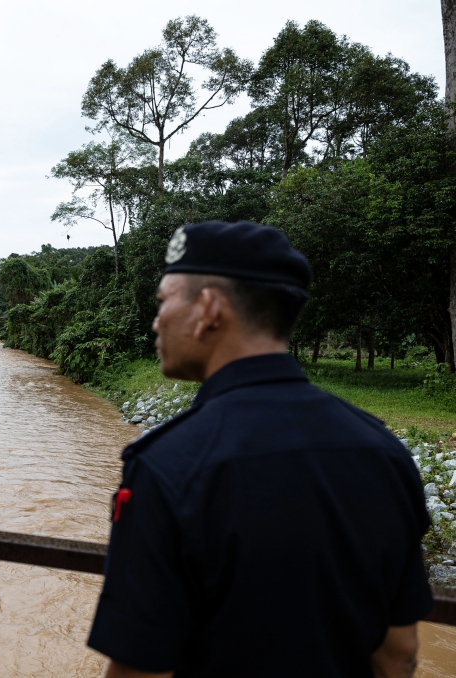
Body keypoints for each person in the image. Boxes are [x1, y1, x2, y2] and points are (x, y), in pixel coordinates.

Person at [87, 221, 433, 678]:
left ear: (208, 308)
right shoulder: (384, 451)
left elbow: (140, 671)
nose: (156, 321)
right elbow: (399, 654)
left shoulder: (169, 465)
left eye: (164, 301)